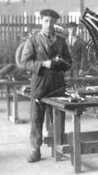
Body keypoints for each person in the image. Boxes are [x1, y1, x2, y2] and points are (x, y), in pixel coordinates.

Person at [20, 9, 72, 163]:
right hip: (40, 83)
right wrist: (43, 63)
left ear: (55, 23)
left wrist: (60, 63)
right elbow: (24, 63)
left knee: (58, 116)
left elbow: (69, 63)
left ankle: (58, 148)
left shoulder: (61, 41)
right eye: (46, 21)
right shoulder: (33, 40)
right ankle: (35, 149)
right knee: (37, 116)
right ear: (41, 22)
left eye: (52, 21)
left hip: (57, 83)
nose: (49, 24)